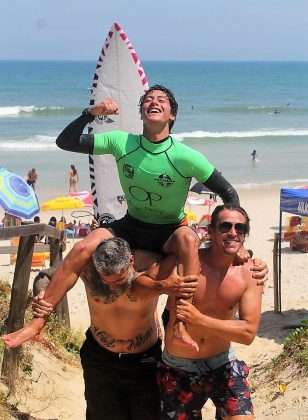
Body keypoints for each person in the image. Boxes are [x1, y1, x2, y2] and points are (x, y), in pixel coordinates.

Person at [55, 84, 243, 351]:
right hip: (132, 224)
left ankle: (179, 325)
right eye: (148, 99)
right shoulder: (121, 141)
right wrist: (90, 113)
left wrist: (233, 243)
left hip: (169, 232)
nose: (154, 102)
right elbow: (65, 142)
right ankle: (40, 318)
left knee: (189, 239)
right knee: (83, 246)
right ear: (142, 113)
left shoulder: (186, 156)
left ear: (172, 115)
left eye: (162, 100)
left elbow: (228, 193)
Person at [2, 236, 198, 420]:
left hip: (144, 359)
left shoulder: (153, 265)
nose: (113, 287)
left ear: (130, 262)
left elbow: (188, 255)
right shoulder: (88, 266)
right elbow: (45, 276)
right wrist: (41, 294)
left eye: (120, 280)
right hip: (100, 358)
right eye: (107, 281)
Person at [156, 204, 263, 419]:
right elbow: (141, 278)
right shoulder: (187, 262)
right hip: (179, 365)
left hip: (222, 362)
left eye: (239, 228)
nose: (233, 232)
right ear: (211, 231)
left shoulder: (250, 273)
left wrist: (199, 319)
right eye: (225, 226)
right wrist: (163, 287)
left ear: (245, 235)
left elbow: (248, 333)